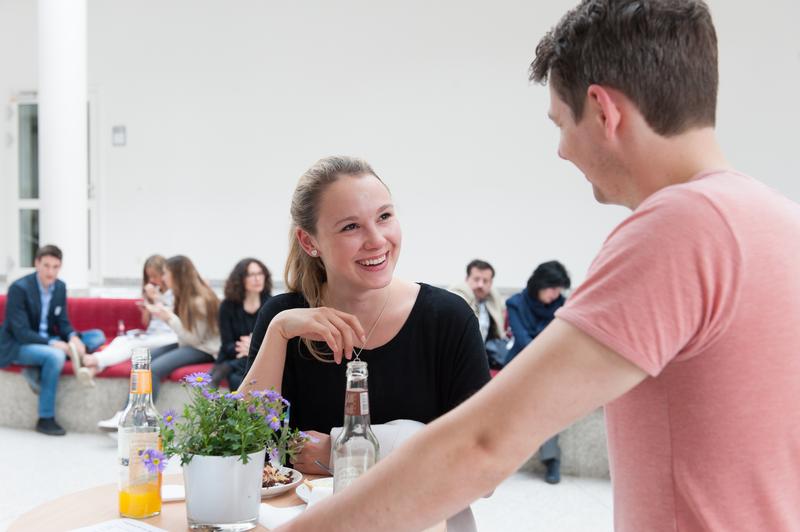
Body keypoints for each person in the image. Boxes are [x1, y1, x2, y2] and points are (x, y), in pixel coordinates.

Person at [276, 2, 800, 531]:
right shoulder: (781, 221)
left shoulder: (678, 229)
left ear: (602, 110)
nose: (562, 150)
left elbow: (484, 444)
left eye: (560, 123)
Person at [241, 156, 490, 530]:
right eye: (351, 226)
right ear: (309, 241)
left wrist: (339, 451)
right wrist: (278, 332)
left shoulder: (448, 318)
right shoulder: (284, 319)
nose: (376, 240)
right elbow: (236, 450)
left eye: (385, 217)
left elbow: (482, 470)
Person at [0, 245, 106, 435]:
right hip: (18, 344)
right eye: (46, 266)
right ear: (37, 264)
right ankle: (45, 418)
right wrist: (54, 343)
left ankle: (56, 359)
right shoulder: (19, 288)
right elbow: (21, 331)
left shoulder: (60, 287)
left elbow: (63, 322)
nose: (51, 272)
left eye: (55, 267)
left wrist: (73, 337)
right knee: (55, 356)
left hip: (50, 339)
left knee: (98, 336)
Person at [94, 255, 179, 430]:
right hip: (153, 334)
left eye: (156, 275)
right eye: (149, 277)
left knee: (135, 350)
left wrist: (156, 300)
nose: (153, 281)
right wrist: (147, 305)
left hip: (169, 337)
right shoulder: (150, 293)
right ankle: (96, 363)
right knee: (122, 339)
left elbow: (174, 320)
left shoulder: (174, 292)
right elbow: (147, 323)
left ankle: (94, 363)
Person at [505, 260, 571, 484]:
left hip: (549, 366)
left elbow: (561, 340)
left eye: (559, 290)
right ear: (539, 284)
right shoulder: (515, 303)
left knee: (549, 402)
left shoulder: (563, 307)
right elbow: (523, 340)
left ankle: (552, 459)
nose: (555, 295)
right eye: (552, 289)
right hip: (519, 363)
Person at [144, 255, 221, 400]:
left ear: (177, 276)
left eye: (166, 273)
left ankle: (143, 417)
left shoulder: (199, 300)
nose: (163, 278)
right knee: (143, 360)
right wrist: (161, 309)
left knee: (152, 370)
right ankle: (128, 411)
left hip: (206, 349)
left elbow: (194, 340)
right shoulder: (183, 296)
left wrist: (168, 318)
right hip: (191, 345)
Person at [212, 258, 272, 391]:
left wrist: (252, 347)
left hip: (262, 357)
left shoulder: (271, 304)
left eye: (260, 273)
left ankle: (228, 367)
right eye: (251, 274)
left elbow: (272, 343)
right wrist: (246, 348)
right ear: (240, 279)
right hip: (235, 355)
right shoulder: (227, 306)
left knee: (238, 373)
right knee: (235, 378)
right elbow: (227, 344)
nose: (257, 278)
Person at [449, 260, 509, 368]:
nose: (480, 285)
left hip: (487, 357)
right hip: (460, 356)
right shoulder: (456, 300)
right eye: (476, 279)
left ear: (491, 283)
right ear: (467, 279)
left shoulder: (494, 301)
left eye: (485, 281)